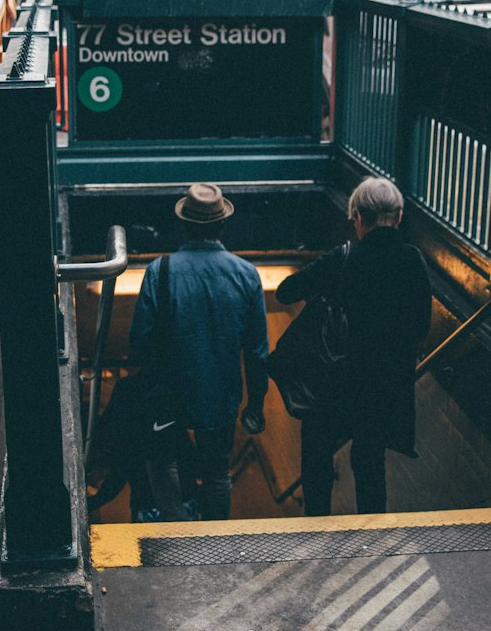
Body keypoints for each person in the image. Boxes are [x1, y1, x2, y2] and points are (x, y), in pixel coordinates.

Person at [275, 177, 432, 517]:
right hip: (383, 387)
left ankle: (316, 532)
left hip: (333, 383)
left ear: (358, 216)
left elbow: (285, 291)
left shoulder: (343, 259)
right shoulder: (412, 261)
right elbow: (421, 327)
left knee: (316, 459)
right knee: (370, 463)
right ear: (399, 216)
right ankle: (370, 537)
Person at [129, 182, 268, 521]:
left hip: (169, 392)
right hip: (221, 393)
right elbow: (257, 350)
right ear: (222, 225)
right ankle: (214, 537)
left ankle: (176, 529)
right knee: (218, 471)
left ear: (184, 226)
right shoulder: (247, 275)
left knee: (164, 461)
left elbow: (140, 340)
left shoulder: (159, 271)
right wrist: (256, 404)